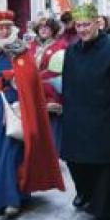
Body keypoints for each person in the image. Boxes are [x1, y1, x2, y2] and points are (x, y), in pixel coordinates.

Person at [0, 11, 64, 219]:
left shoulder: (21, 51)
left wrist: (13, 79)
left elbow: (30, 79)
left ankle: (13, 199)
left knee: (13, 150)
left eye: (6, 28)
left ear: (12, 29)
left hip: (17, 108)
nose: (3, 31)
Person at [61, 4, 110, 220]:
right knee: (74, 160)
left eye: (86, 24)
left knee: (103, 165)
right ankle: (85, 194)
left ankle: (105, 211)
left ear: (97, 23)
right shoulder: (72, 51)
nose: (82, 29)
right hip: (76, 114)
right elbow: (67, 83)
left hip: (105, 115)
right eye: (79, 25)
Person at [28, 16, 67, 149]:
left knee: (52, 130)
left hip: (52, 92)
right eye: (41, 27)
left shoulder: (61, 45)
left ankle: (52, 162)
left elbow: (61, 71)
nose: (43, 30)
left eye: (47, 27)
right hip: (33, 92)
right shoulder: (31, 45)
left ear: (53, 30)